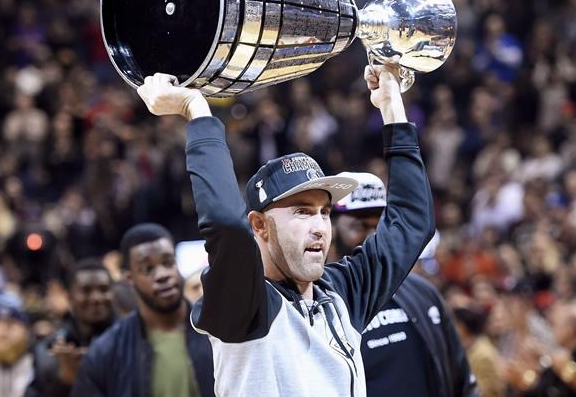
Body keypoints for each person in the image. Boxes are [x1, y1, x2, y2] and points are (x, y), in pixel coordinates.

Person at [134, 66, 435, 396]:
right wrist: (196, 109)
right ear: (259, 225)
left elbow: (412, 222)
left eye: (324, 212)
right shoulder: (244, 300)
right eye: (302, 212)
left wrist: (391, 106)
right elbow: (225, 223)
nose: (319, 227)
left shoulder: (341, 292)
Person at [331, 171, 478, 397]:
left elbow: (463, 384)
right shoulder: (319, 308)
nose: (372, 238)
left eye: (379, 226)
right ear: (330, 228)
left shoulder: (423, 292)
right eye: (359, 227)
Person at [72, 223, 214, 397]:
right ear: (129, 278)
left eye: (168, 263)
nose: (162, 275)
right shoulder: (104, 352)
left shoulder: (217, 331)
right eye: (148, 269)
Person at [25, 258, 116, 396]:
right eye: (86, 290)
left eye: (103, 290)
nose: (96, 298)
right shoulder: (49, 350)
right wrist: (65, 381)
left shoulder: (130, 341)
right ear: (69, 296)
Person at [453, 305, 506, 397]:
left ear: (462, 328)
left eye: (454, 324)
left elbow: (483, 392)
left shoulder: (483, 355)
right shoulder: (470, 348)